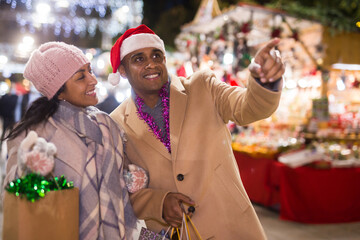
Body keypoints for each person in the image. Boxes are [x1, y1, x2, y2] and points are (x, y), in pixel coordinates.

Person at [108, 24, 285, 239]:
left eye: (156, 56)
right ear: (123, 71)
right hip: (174, 232)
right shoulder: (116, 122)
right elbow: (121, 187)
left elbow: (247, 107)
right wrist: (159, 203)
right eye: (139, 59)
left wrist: (264, 82)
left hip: (229, 225)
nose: (151, 64)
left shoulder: (202, 86)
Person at [2, 42, 144, 240]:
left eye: (90, 71)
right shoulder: (34, 135)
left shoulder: (106, 125)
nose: (93, 80)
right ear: (58, 91)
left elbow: (122, 186)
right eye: (81, 77)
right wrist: (31, 172)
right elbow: (12, 194)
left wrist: (133, 177)